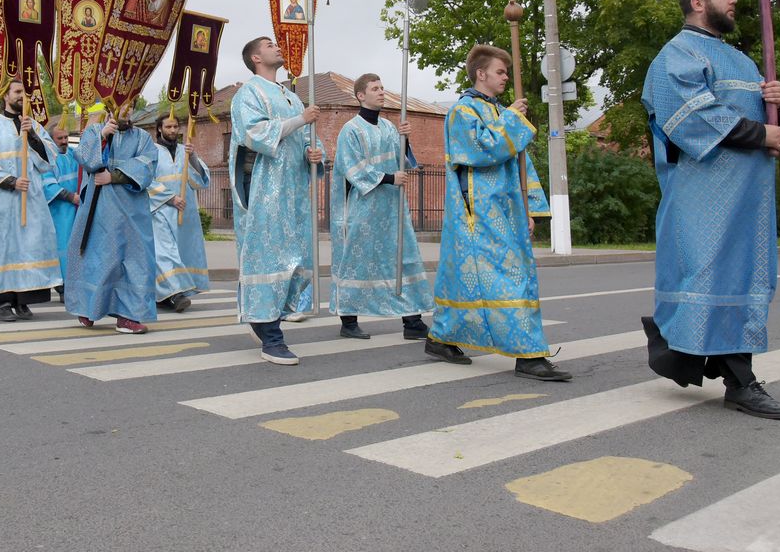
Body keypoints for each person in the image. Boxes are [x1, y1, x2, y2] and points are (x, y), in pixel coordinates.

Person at [641, 0, 780, 420]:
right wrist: (761, 132)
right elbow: (689, 117)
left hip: (748, 198)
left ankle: (718, 369)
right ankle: (738, 381)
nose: (735, 0)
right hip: (704, 194)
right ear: (698, 2)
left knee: (742, 281)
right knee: (709, 278)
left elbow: (773, 122)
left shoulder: (742, 61)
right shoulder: (677, 54)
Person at [427, 44, 568, 382]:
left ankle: (440, 337)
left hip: (505, 207)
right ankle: (529, 353)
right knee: (512, 278)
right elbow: (483, 150)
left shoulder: (498, 110)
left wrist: (529, 208)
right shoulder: (463, 111)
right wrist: (513, 119)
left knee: (466, 279)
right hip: (480, 211)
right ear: (481, 74)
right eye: (500, 72)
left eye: (507, 71)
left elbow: (522, 163)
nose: (505, 77)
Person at [229, 37, 324, 365]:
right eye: (270, 45)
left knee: (293, 259)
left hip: (294, 191)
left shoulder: (291, 97)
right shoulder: (248, 94)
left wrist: (314, 153)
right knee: (267, 257)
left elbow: (309, 140)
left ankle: (264, 318)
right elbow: (253, 135)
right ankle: (271, 336)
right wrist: (302, 120)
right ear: (256, 56)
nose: (277, 48)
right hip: (265, 189)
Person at [330, 74, 433, 341]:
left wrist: (405, 140)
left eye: (382, 88)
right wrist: (388, 178)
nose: (381, 92)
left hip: (392, 207)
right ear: (360, 95)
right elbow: (350, 167)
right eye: (375, 88)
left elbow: (402, 160)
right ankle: (348, 320)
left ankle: (412, 321)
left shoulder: (389, 127)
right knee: (358, 261)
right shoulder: (350, 129)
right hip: (364, 207)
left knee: (402, 259)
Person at [0, 79, 61, 321]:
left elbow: (49, 160)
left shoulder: (34, 126)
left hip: (31, 201)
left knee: (29, 249)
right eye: (18, 92)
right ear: (5, 96)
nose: (23, 97)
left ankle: (23, 301)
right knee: (4, 251)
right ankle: (4, 302)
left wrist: (32, 138)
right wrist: (10, 181)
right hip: (1, 201)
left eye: (25, 93)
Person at [65, 104, 158, 333]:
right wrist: (103, 136)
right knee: (98, 258)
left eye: (130, 107)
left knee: (134, 260)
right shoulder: (94, 130)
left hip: (131, 211)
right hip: (99, 210)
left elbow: (147, 165)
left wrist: (113, 176)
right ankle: (89, 307)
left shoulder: (142, 137)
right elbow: (84, 158)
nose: (126, 112)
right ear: (111, 107)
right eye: (122, 107)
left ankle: (128, 316)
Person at [149, 114, 211, 313]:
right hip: (160, 210)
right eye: (168, 127)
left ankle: (166, 296)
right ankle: (176, 294)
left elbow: (199, 181)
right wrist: (170, 198)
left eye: (176, 126)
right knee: (165, 254)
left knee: (182, 253)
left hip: (186, 211)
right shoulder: (151, 151)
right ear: (159, 129)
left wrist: (193, 158)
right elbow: (145, 180)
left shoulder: (186, 151)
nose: (173, 130)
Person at [43, 122, 81, 304]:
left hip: (79, 207)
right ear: (51, 140)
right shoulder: (48, 158)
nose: (65, 141)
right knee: (63, 248)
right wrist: (70, 197)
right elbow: (48, 185)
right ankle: (63, 287)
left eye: (66, 137)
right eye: (60, 138)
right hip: (60, 211)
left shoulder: (75, 154)